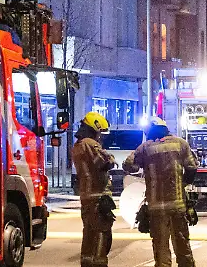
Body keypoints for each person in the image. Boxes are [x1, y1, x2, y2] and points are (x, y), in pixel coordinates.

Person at [123, 117, 198, 267]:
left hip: (156, 208)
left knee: (161, 248)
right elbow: (192, 167)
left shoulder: (145, 148)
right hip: (178, 205)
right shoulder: (180, 144)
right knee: (183, 246)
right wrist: (183, 183)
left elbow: (129, 166)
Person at [73, 111, 117, 267]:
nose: (101, 137)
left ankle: (87, 263)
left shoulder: (77, 146)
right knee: (101, 235)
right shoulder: (90, 144)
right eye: (100, 133)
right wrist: (111, 158)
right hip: (98, 198)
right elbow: (105, 162)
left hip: (86, 197)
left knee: (89, 236)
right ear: (94, 128)